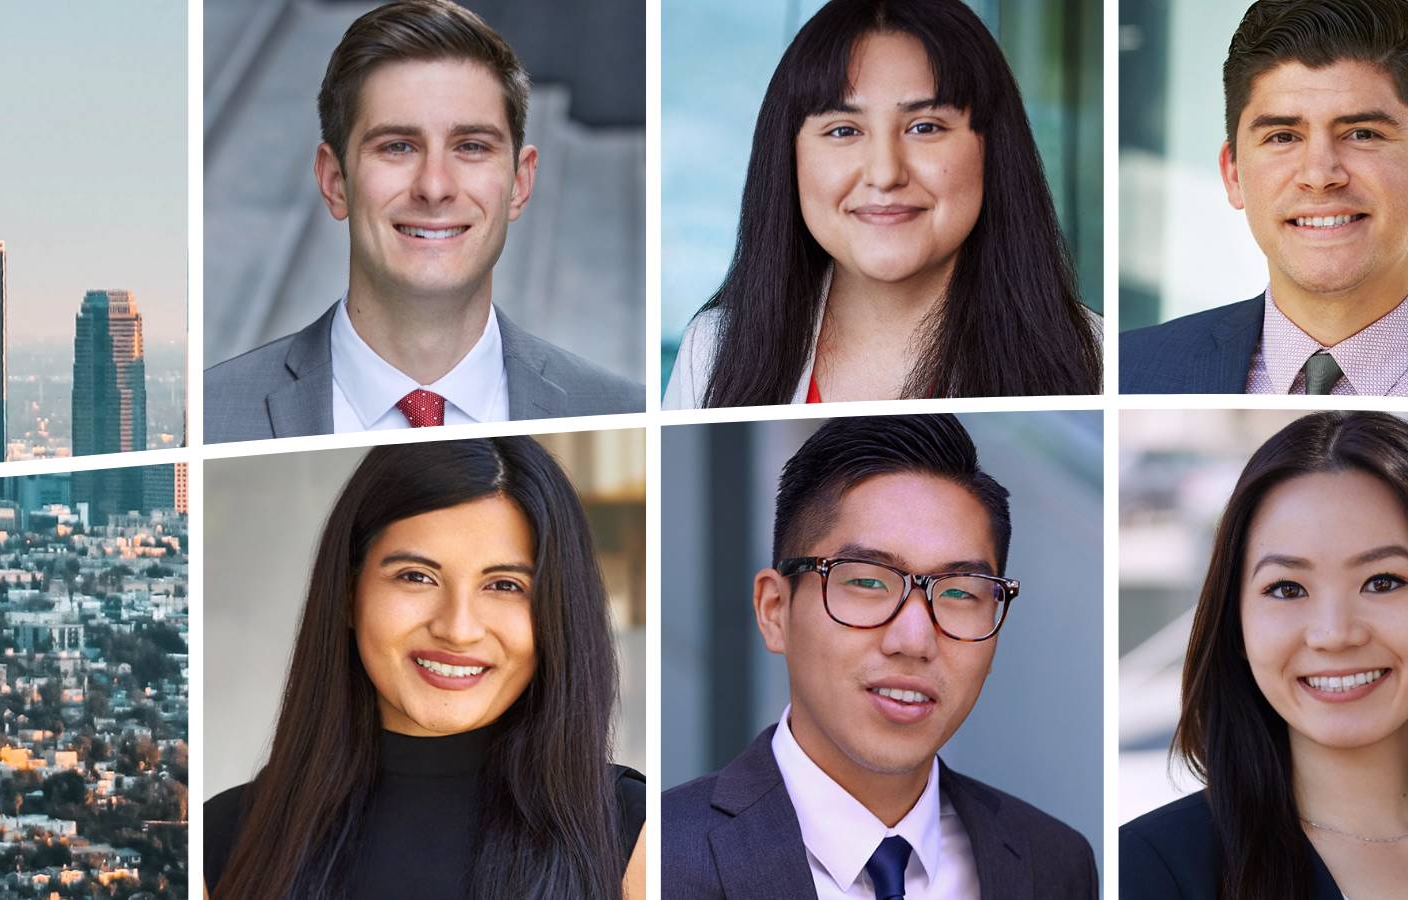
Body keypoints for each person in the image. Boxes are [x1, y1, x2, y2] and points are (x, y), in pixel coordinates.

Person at [1121, 412, 1408, 899]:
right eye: (1287, 588)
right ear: (1236, 624)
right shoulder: (1149, 870)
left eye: (1383, 582)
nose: (1334, 634)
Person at [662, 414, 1097, 898]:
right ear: (774, 610)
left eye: (959, 594)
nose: (914, 640)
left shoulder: (1055, 862)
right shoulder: (659, 859)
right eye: (868, 581)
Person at [203, 436, 647, 899]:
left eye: (504, 585)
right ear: (348, 594)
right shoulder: (221, 840)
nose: (457, 629)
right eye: (416, 577)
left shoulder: (634, 838)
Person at [204, 0, 642, 441]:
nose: (434, 187)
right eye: (398, 146)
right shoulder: (212, 417)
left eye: (471, 146)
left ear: (520, 182)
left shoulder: (625, 413)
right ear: (335, 181)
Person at [664, 0, 1101, 409]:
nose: (885, 173)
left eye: (925, 127)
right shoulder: (712, 354)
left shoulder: (1094, 361)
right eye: (843, 131)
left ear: (993, 150)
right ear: (788, 157)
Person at [1122, 0, 1408, 400]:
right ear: (1233, 173)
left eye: (1362, 134)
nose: (1319, 175)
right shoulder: (1125, 375)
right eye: (1282, 136)